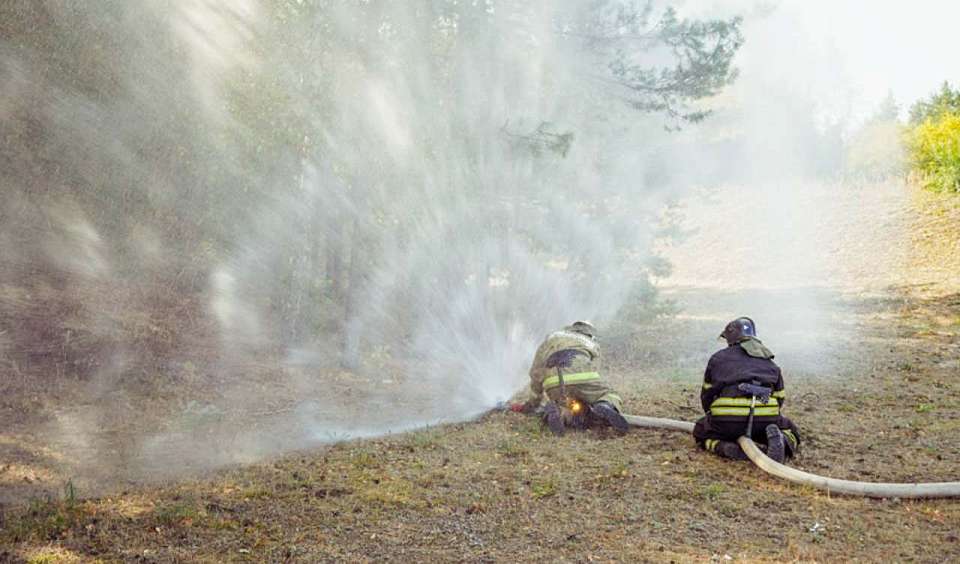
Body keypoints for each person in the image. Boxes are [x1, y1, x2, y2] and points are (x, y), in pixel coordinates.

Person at [693, 317, 801, 463]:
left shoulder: (718, 358)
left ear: (730, 338)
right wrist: (765, 416)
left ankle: (724, 447)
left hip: (727, 421)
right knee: (791, 429)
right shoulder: (769, 362)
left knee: (701, 430)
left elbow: (707, 394)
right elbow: (779, 397)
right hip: (764, 420)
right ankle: (783, 441)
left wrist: (712, 417)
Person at [518, 321, 629, 435]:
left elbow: (536, 372)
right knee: (609, 394)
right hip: (584, 378)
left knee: (564, 403)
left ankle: (559, 411)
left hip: (553, 383)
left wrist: (534, 402)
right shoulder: (590, 342)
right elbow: (594, 369)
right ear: (589, 333)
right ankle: (604, 405)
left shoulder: (551, 339)